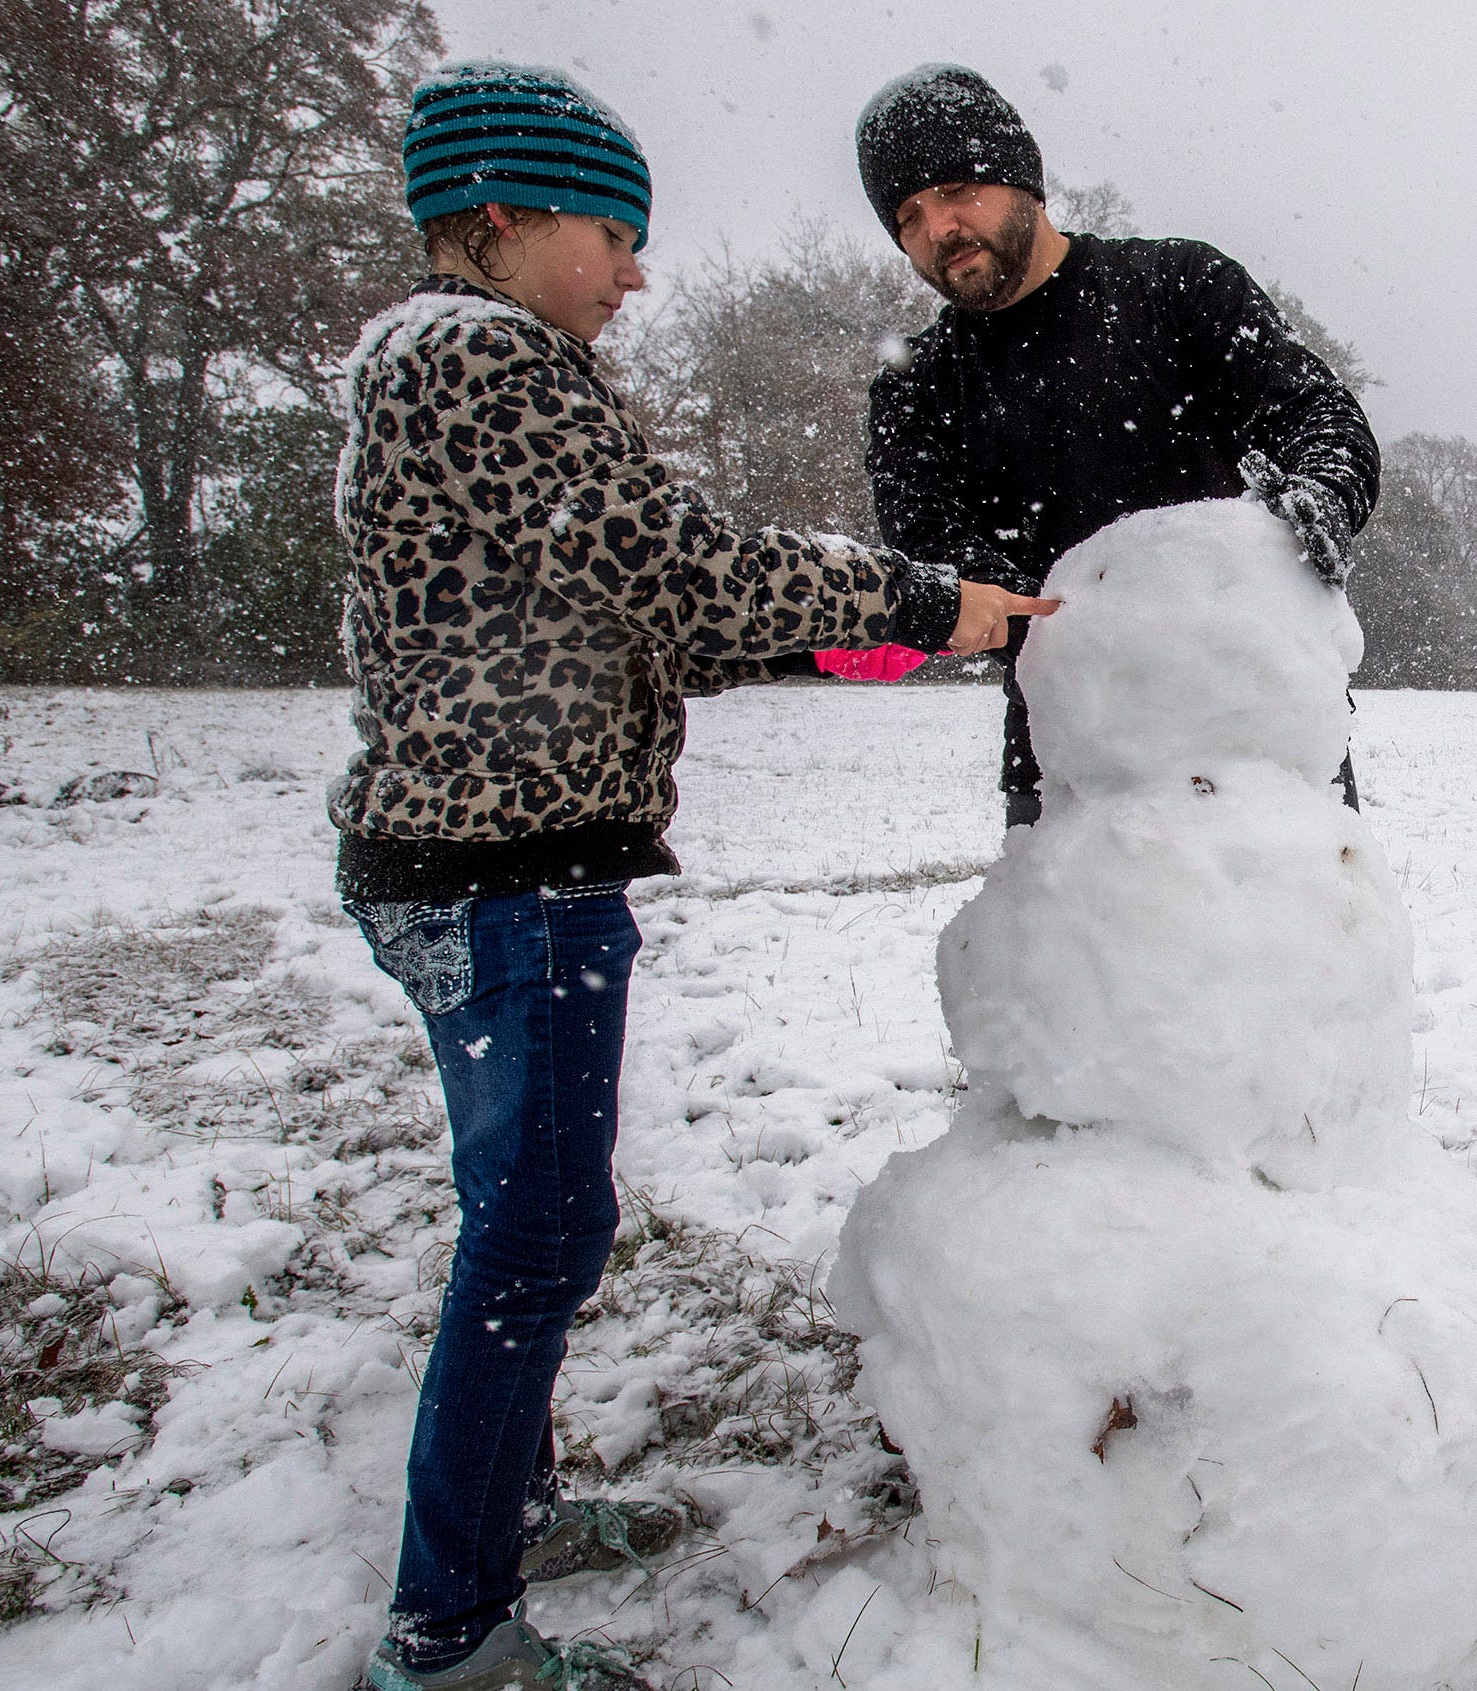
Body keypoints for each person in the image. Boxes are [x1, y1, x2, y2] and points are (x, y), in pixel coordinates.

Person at [334, 61, 1052, 1691]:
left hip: (465, 861)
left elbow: (610, 608)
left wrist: (841, 641)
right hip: (501, 877)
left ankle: (500, 1518)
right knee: (537, 1237)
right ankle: (449, 1631)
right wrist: (936, 602)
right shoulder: (476, 361)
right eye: (615, 234)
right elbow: (667, 564)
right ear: (507, 217)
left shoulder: (456, 364)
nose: (638, 273)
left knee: (514, 1222)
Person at [855, 63, 1381, 826]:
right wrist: (1088, 637)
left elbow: (1320, 418)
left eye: (955, 190)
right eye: (907, 216)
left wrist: (1321, 499)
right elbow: (936, 553)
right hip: (1072, 764)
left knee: (1301, 950)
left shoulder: (1182, 288)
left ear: (1024, 182)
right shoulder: (915, 387)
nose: (938, 228)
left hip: (1260, 741)